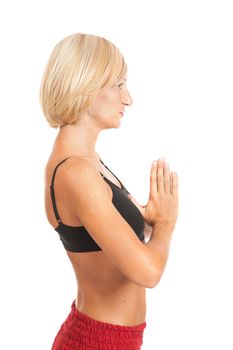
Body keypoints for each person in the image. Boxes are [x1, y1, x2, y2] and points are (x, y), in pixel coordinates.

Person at [40, 32, 179, 350]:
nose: (128, 98)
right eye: (118, 85)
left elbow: (105, 242)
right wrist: (166, 225)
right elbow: (148, 272)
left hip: (112, 339)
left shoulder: (88, 162)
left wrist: (147, 221)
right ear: (85, 88)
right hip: (99, 342)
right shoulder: (75, 173)